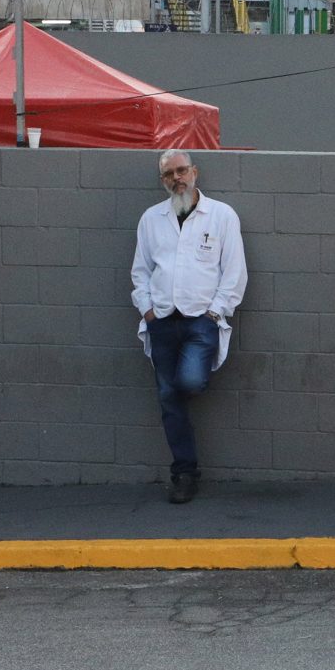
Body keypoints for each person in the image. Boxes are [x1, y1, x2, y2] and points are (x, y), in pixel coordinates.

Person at [128, 150, 248, 506]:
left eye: (182, 170)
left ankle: (184, 449)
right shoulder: (151, 219)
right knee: (169, 400)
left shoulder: (221, 216)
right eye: (169, 174)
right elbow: (140, 271)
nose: (176, 178)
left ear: (195, 172)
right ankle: (184, 472)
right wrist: (147, 311)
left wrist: (215, 313)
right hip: (161, 321)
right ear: (163, 180)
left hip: (201, 321)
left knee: (189, 382)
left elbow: (234, 271)